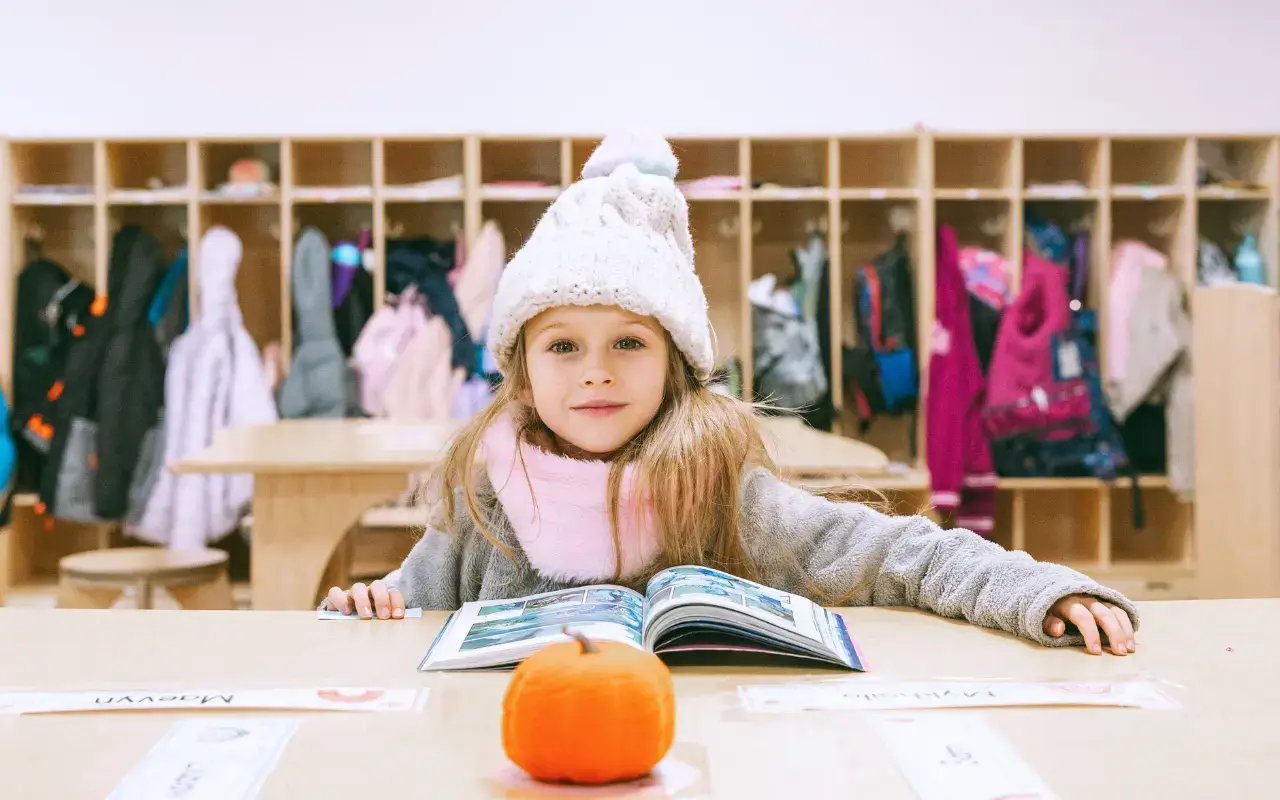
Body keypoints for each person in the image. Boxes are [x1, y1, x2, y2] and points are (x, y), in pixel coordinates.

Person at [324, 133, 1137, 657]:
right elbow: (414, 606)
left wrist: (1039, 590)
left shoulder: (723, 491)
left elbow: (902, 552)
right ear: (521, 368)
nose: (595, 372)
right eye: (563, 346)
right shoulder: (490, 499)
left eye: (628, 344)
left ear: (676, 361)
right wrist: (372, 605)